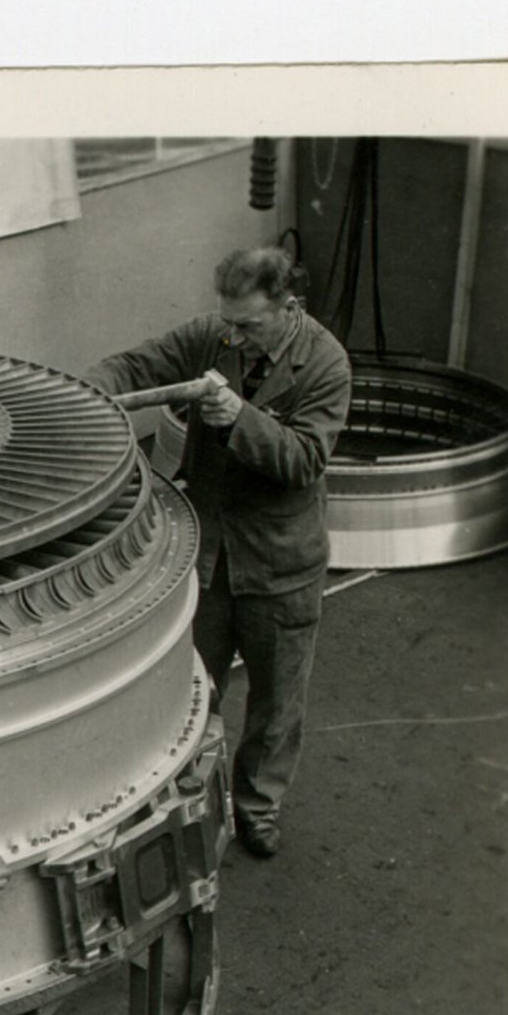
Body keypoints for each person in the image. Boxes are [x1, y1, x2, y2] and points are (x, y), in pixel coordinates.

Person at [86, 247, 353, 858]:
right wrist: (83, 394)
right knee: (188, 690)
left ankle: (258, 808)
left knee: (277, 703)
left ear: (289, 308)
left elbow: (304, 460)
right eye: (228, 322)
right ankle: (187, 801)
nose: (233, 337)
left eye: (248, 325)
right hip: (207, 557)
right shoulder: (214, 334)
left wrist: (239, 418)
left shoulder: (325, 364)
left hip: (280, 565)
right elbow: (135, 365)